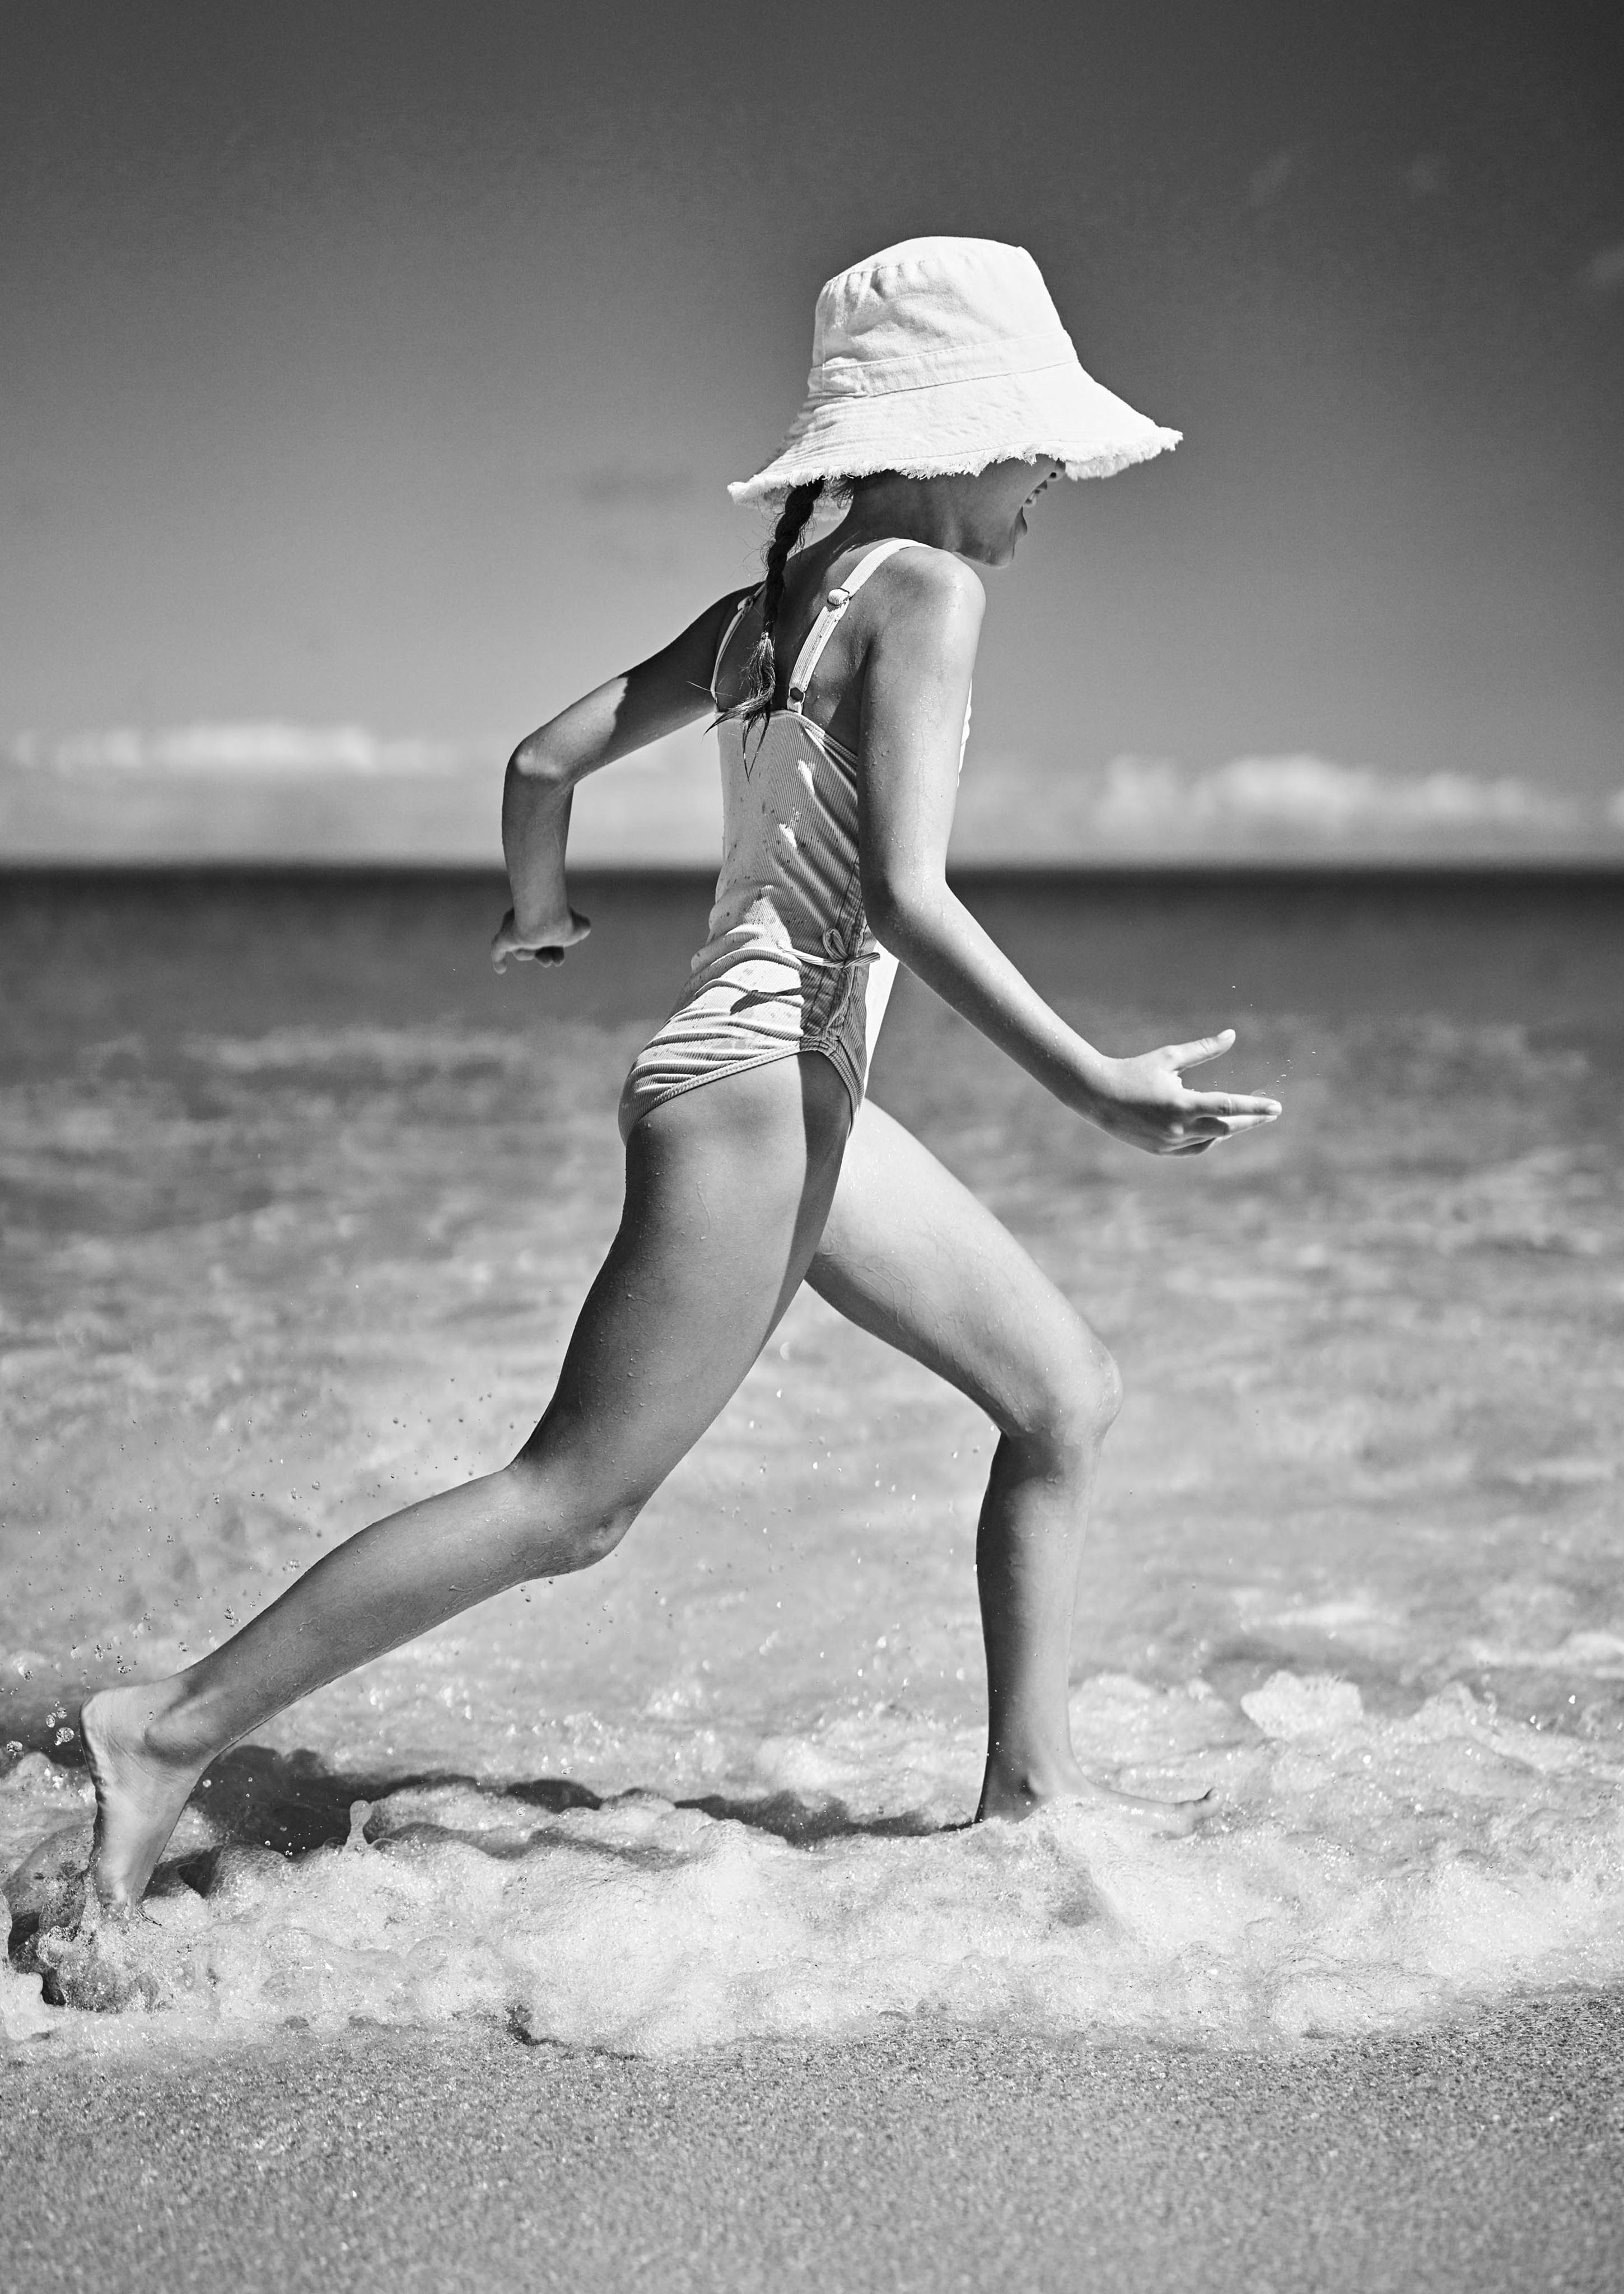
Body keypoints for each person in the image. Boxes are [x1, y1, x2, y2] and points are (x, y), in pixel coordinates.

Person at [81, 236, 1281, 1909]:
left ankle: (1029, 1814)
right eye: (1035, 450)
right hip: (757, 1090)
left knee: (1061, 1400)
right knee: (572, 1503)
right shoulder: (932, 594)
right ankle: (163, 1729)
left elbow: (540, 760)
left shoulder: (770, 610)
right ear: (952, 436)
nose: (1048, 487)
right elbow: (903, 898)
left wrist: (538, 911)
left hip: (786, 1090)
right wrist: (1089, 1080)